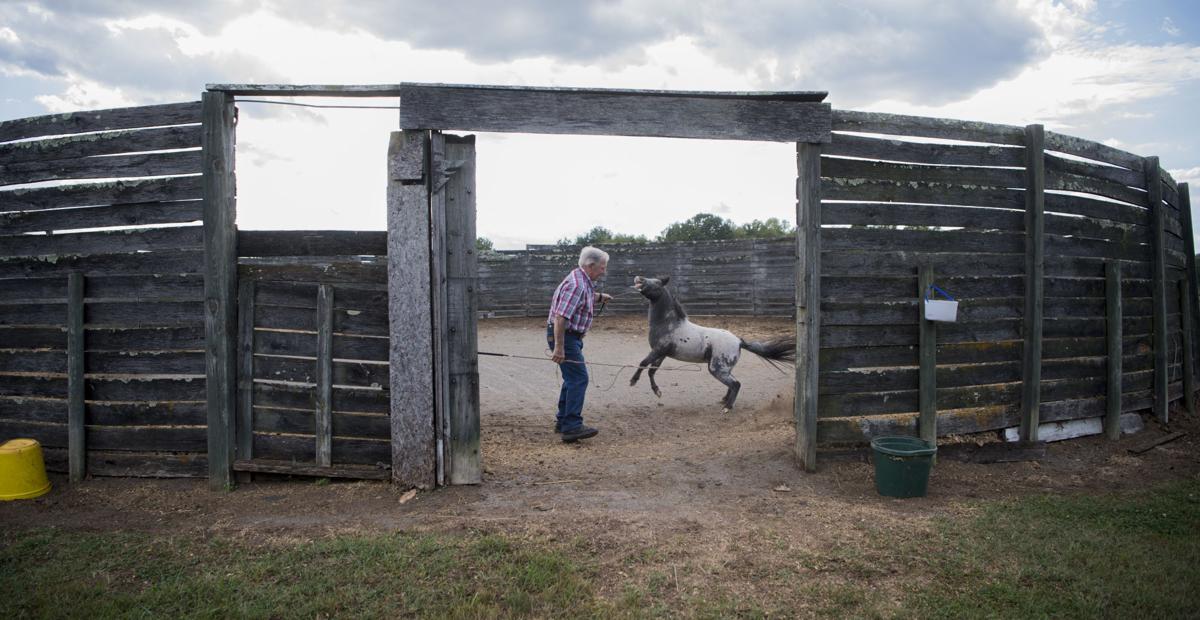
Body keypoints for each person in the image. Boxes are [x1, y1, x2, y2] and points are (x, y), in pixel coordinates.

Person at [546, 246, 613, 443]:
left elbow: (584, 297)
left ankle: (563, 421)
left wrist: (600, 297)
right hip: (565, 336)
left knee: (571, 378)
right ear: (590, 265)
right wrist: (559, 347)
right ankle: (572, 426)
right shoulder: (577, 285)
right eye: (602, 267)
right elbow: (560, 317)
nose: (604, 271)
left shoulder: (581, 280)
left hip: (570, 337)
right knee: (579, 378)